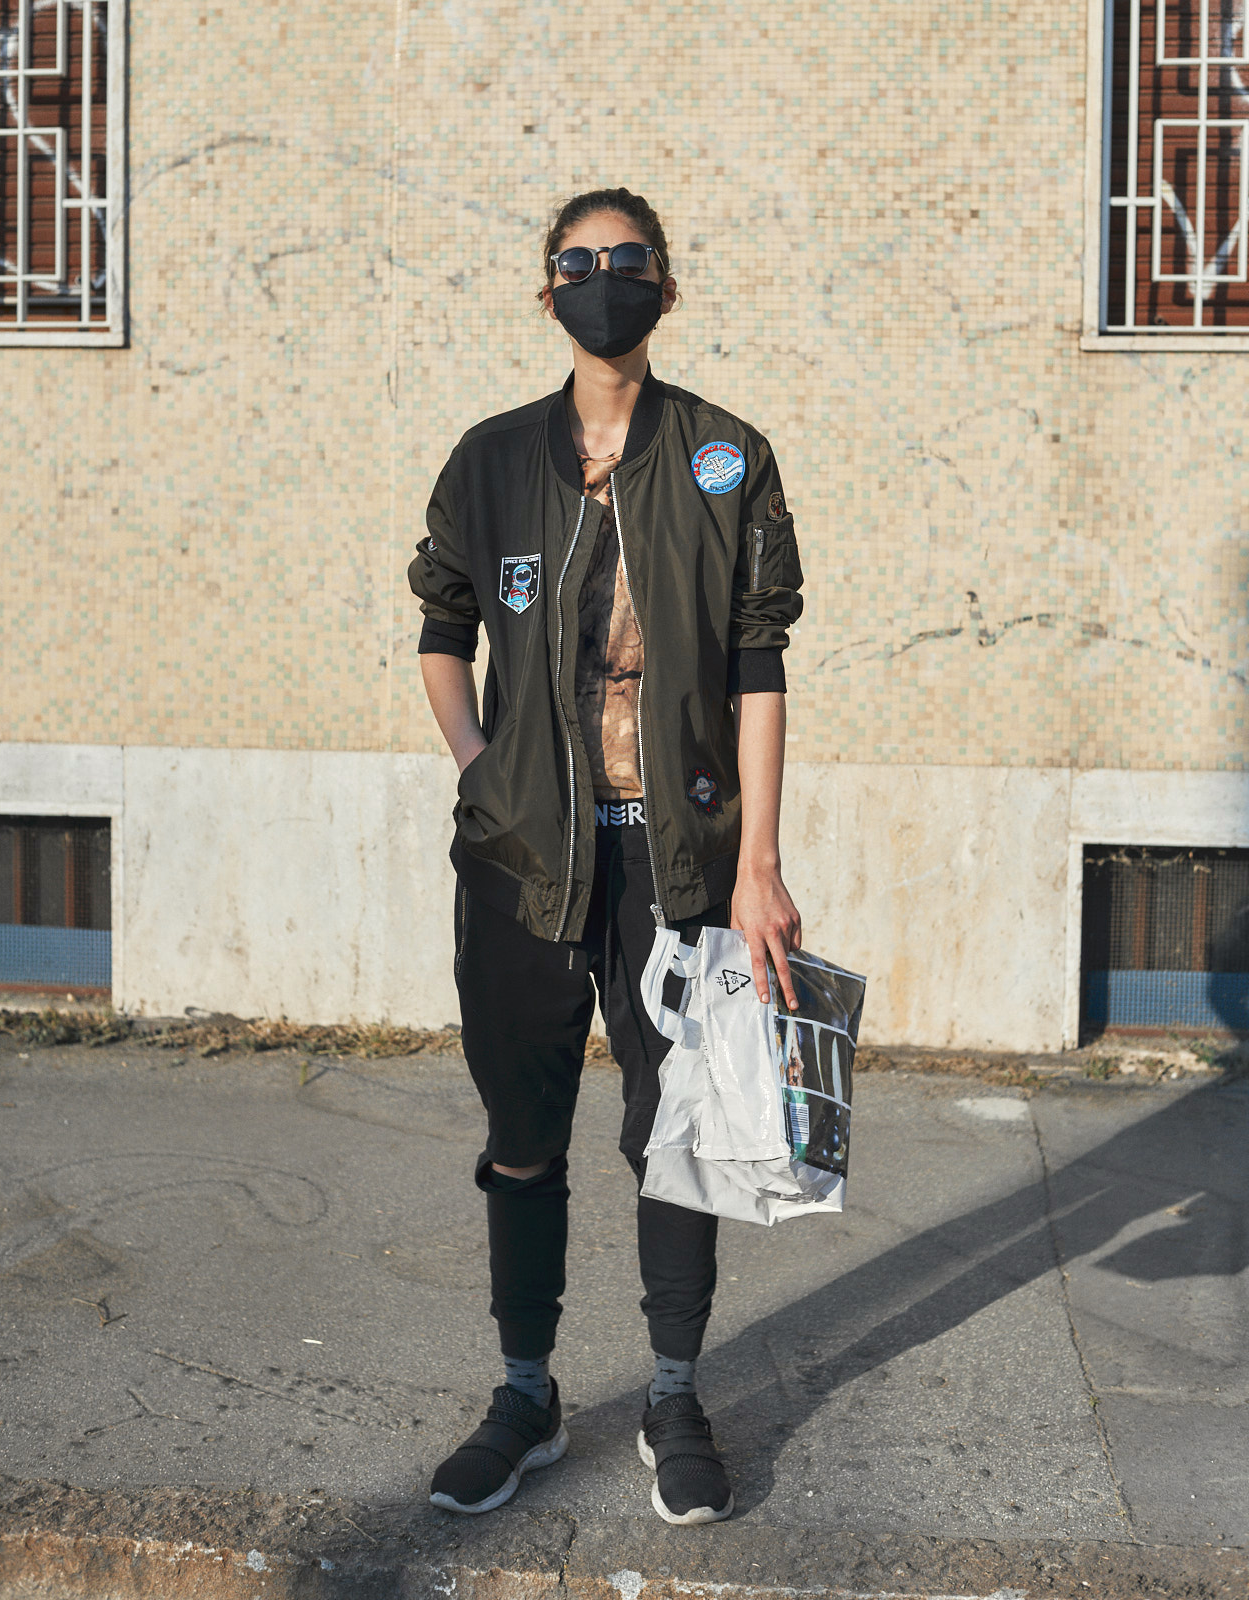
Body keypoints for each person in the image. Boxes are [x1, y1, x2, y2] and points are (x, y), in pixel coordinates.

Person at [408, 186, 805, 1525]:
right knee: (523, 1133)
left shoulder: (724, 455)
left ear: (667, 286)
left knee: (675, 1137)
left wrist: (757, 860)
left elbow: (760, 663)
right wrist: (486, 777)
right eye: (578, 262)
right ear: (547, 292)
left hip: (677, 861)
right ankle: (525, 1393)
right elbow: (439, 631)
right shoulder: (493, 458)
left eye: (628, 260)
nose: (604, 278)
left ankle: (674, 1395)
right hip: (525, 863)